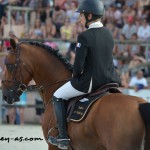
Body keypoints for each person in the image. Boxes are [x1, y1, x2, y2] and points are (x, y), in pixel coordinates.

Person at [47, 0, 121, 149]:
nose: (79, 19)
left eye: (81, 15)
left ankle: (62, 137)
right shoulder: (108, 33)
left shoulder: (84, 37)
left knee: (57, 95)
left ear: (89, 15)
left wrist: (75, 76)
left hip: (91, 83)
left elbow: (79, 66)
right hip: (111, 81)